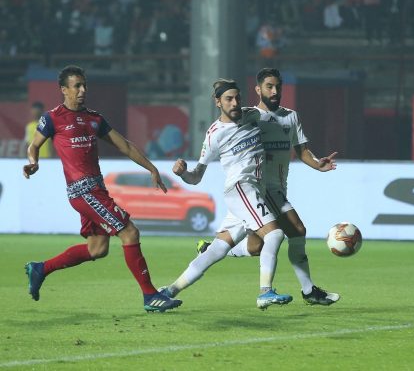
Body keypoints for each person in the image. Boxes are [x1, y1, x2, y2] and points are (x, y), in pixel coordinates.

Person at [23, 65, 181, 312]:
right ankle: (150, 296)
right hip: (82, 192)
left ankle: (41, 268)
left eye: (84, 85)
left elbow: (125, 146)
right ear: (63, 90)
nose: (83, 90)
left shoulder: (94, 119)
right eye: (77, 86)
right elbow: (34, 146)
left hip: (97, 191)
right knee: (130, 233)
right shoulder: (52, 118)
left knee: (98, 249)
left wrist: (151, 168)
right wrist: (33, 164)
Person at [203, 68, 340, 306]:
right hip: (259, 189)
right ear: (258, 89)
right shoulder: (248, 116)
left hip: (278, 187)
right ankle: (308, 291)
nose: (274, 91)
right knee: (296, 229)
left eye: (278, 86)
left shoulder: (291, 116)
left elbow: (302, 150)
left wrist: (318, 165)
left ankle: (213, 249)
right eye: (269, 86)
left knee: (256, 247)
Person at [158, 78, 293, 310]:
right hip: (242, 188)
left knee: (222, 250)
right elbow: (196, 176)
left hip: (251, 192)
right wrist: (183, 173)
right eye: (229, 99)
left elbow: (270, 110)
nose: (235, 103)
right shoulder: (214, 135)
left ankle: (167, 291)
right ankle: (265, 292)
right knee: (275, 234)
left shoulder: (250, 115)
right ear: (217, 102)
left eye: (237, 98)